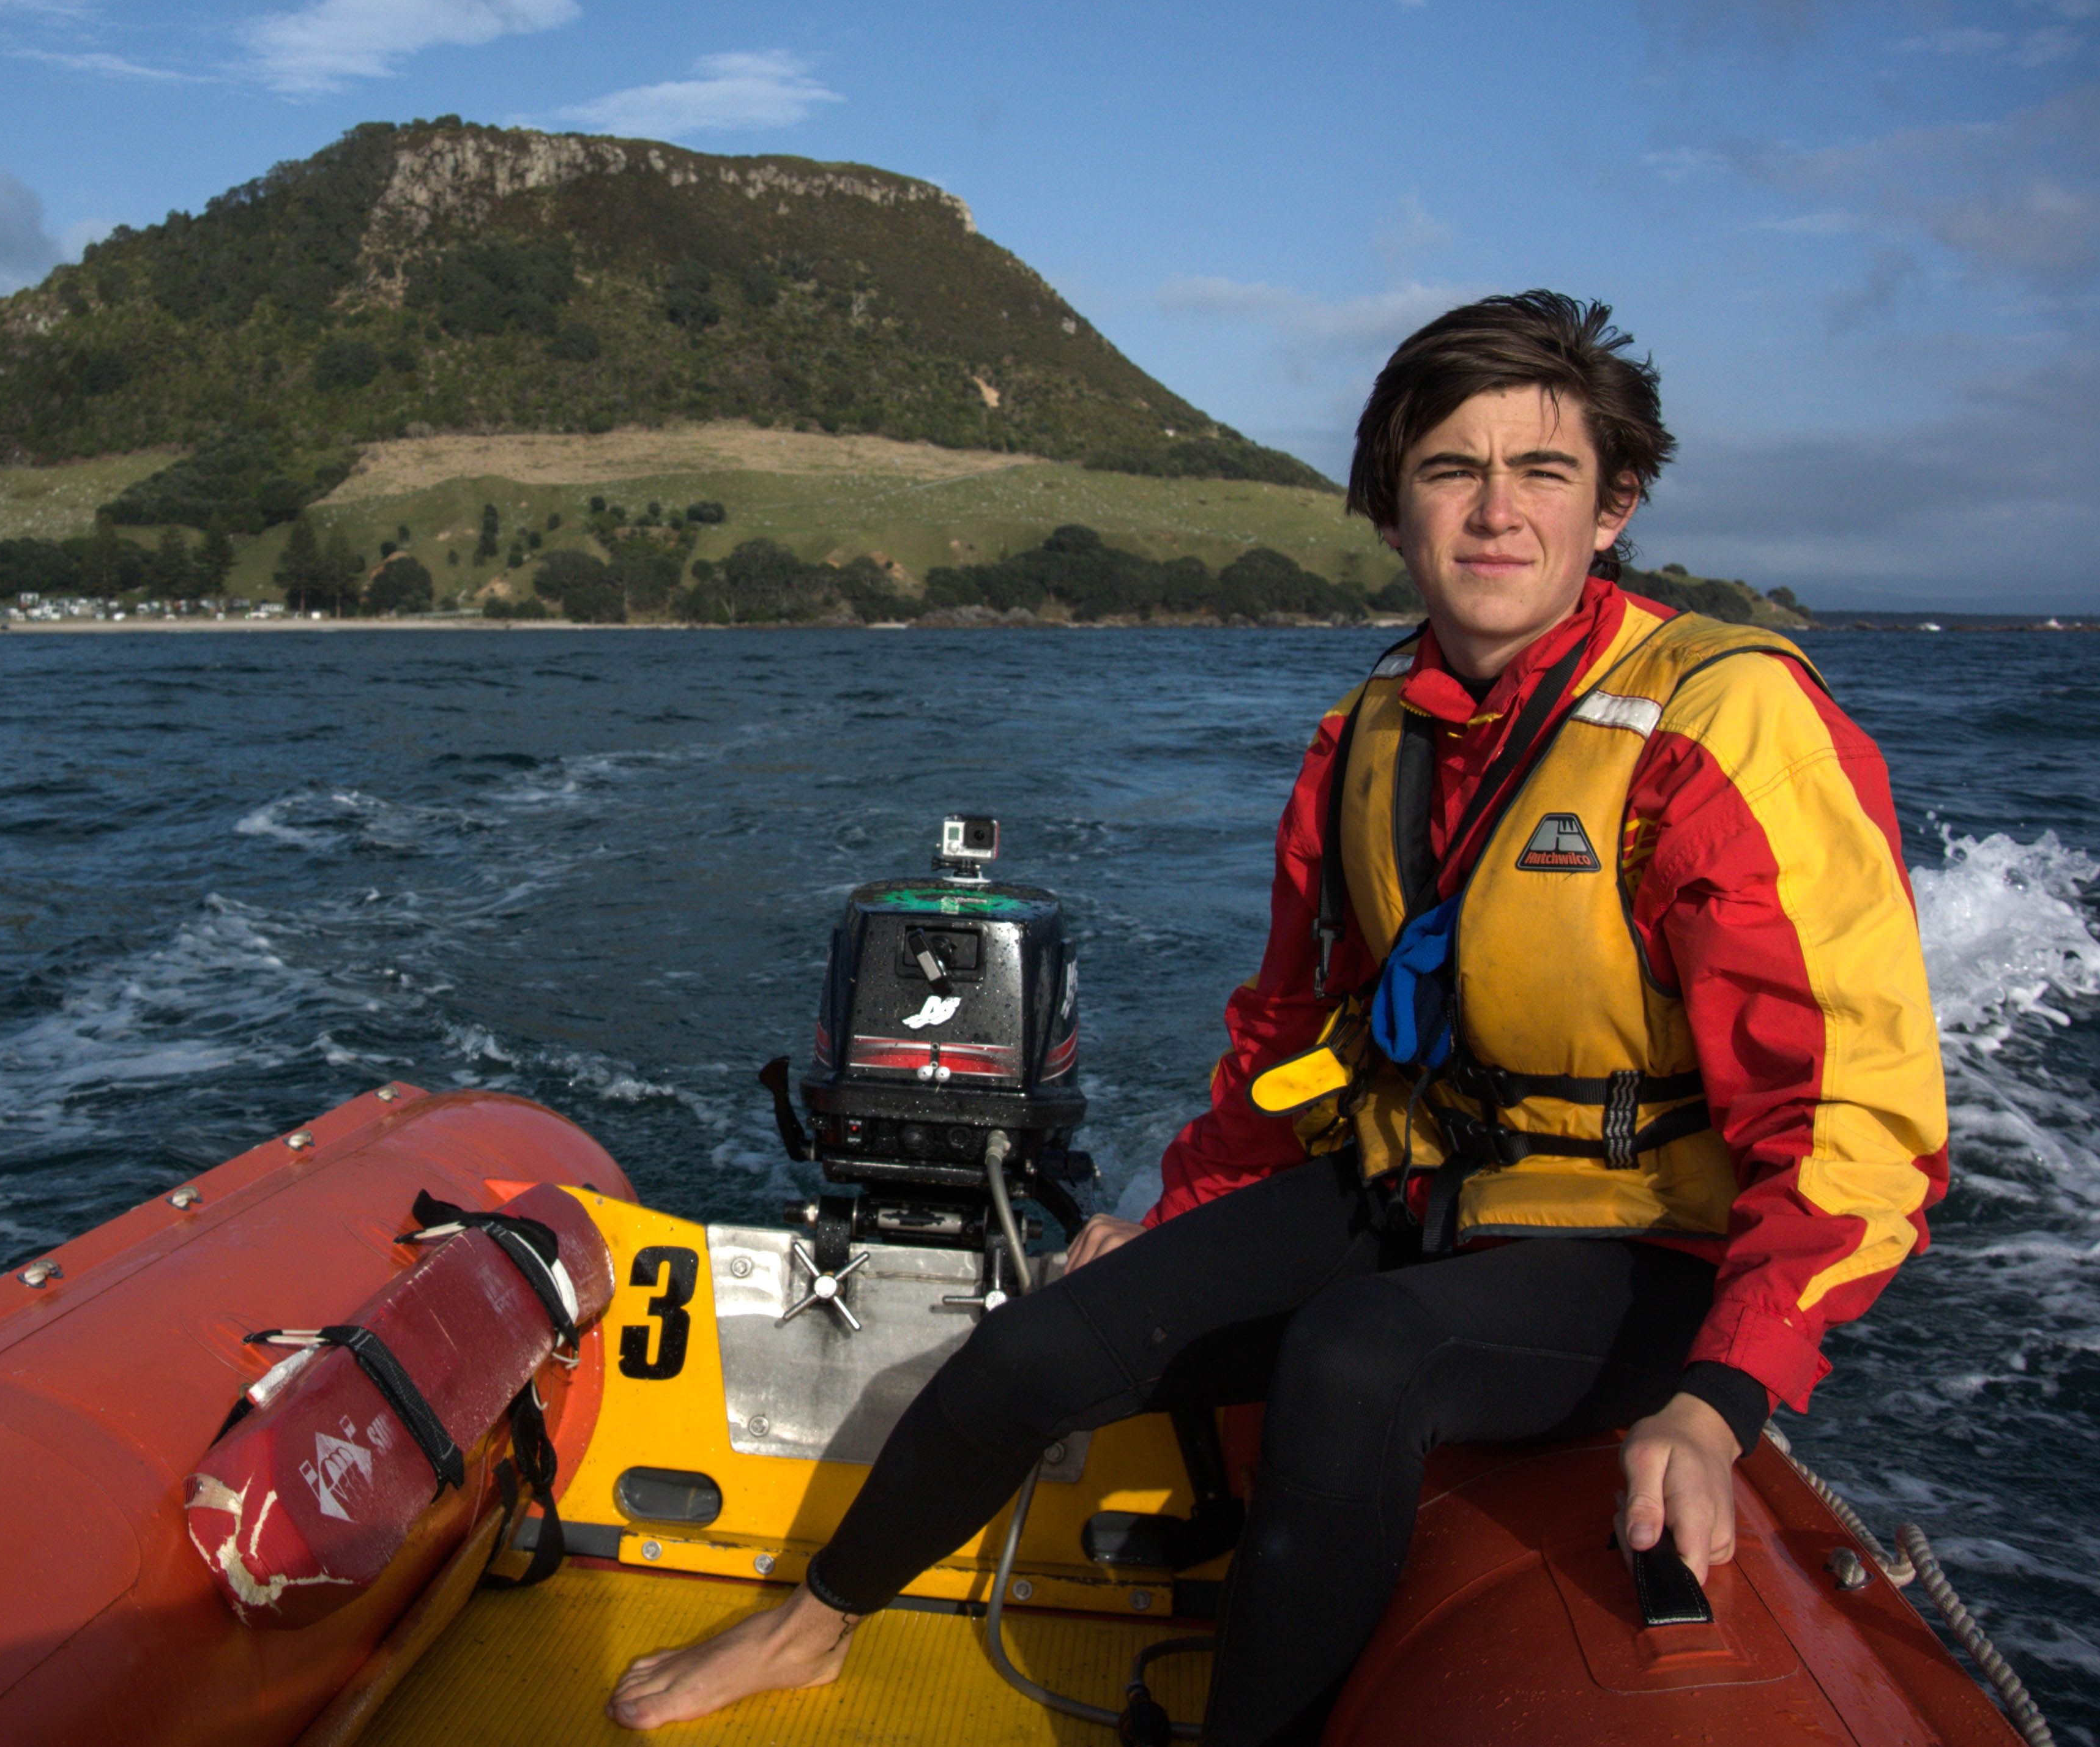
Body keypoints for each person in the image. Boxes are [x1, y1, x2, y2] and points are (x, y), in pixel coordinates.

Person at [607, 292, 1949, 1744]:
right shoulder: (1367, 739)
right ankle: (813, 1624)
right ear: (1392, 508)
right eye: (1451, 469)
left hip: (1637, 1244)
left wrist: (1722, 1394)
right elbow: (1299, 1033)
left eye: (1543, 473)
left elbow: (1852, 1122)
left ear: (1613, 505)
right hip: (1419, 1183)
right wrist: (1192, 1202)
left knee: (1362, 1355)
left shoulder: (1723, 725)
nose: (1495, 513)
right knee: (1045, 1344)